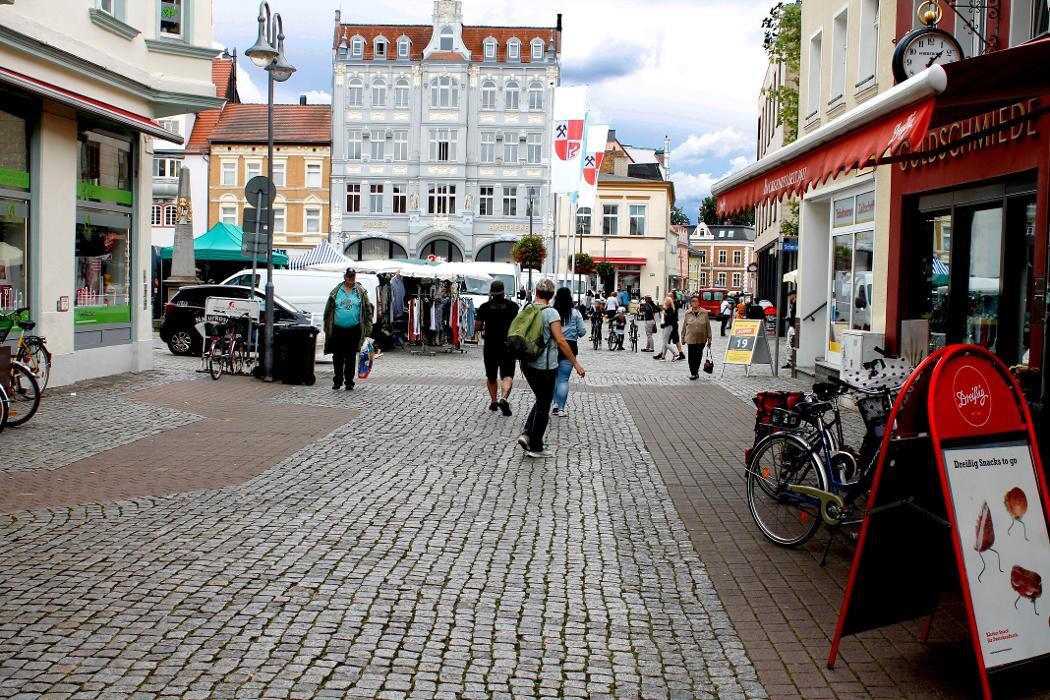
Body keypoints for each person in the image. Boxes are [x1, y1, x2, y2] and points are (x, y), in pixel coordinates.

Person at [517, 279, 586, 458]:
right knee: (544, 403)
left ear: (537, 292)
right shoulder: (551, 313)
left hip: (526, 361)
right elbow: (561, 341)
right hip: (544, 364)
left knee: (541, 399)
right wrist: (576, 363)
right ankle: (536, 446)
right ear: (551, 294)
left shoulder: (527, 308)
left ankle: (526, 435)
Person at [323, 267, 374, 391]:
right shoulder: (336, 291)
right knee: (338, 356)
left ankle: (349, 381)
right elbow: (328, 311)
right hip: (337, 329)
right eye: (349, 276)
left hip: (354, 329)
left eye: (353, 276)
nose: (352, 278)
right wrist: (327, 327)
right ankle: (337, 380)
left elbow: (368, 311)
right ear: (344, 277)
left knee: (351, 357)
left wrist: (368, 329)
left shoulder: (360, 292)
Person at [476, 279, 519, 416]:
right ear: (503, 292)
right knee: (507, 375)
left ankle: (494, 401)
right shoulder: (513, 307)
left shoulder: (484, 307)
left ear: (492, 293)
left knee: (491, 376)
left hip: (490, 345)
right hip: (508, 345)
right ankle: (503, 398)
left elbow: (477, 326)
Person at [551, 287, 587, 418]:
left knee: (554, 378)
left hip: (553, 346)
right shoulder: (575, 313)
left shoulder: (552, 312)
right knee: (563, 379)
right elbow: (582, 332)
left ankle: (554, 404)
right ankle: (561, 408)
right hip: (570, 347)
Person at [681, 294, 713, 380]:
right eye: (692, 301)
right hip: (690, 338)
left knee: (698, 356)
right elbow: (684, 326)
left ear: (699, 303)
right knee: (691, 356)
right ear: (690, 303)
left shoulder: (704, 312)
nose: (694, 303)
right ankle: (693, 373)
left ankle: (696, 371)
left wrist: (709, 338)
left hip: (701, 338)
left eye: (696, 301)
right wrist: (682, 337)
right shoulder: (687, 313)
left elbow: (708, 326)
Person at [653, 296, 682, 361]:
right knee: (665, 342)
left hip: (668, 327)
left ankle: (675, 354)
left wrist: (665, 314)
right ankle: (663, 357)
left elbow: (670, 319)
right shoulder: (668, 309)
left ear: (668, 302)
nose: (664, 302)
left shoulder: (670, 309)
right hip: (667, 327)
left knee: (666, 343)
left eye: (665, 301)